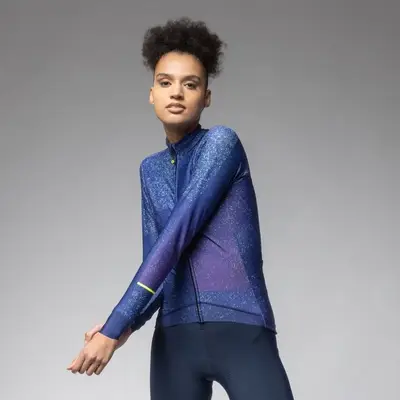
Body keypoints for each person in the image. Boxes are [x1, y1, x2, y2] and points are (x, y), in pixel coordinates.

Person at [67, 17, 295, 400]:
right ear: (151, 94)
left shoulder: (222, 144)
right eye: (165, 82)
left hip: (240, 329)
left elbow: (176, 237)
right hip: (175, 340)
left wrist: (116, 322)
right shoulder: (150, 169)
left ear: (206, 96)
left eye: (190, 84)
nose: (176, 93)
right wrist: (120, 331)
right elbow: (158, 264)